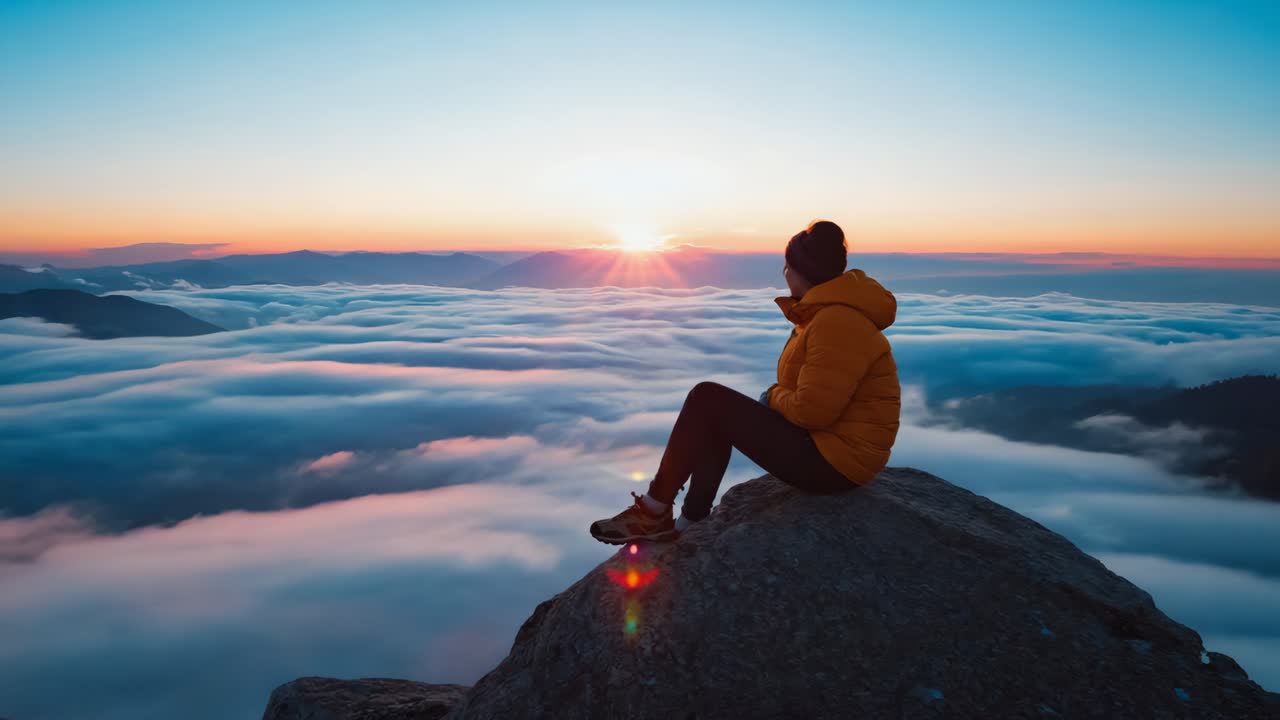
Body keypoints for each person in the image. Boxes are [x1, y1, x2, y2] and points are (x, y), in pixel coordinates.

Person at [589, 220, 902, 544]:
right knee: (714, 412)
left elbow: (813, 412)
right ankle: (688, 522)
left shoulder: (836, 321)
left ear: (799, 271)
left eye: (786, 267)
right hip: (830, 447)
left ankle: (654, 512)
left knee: (706, 398)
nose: (784, 273)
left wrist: (773, 396)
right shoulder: (824, 316)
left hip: (835, 464)